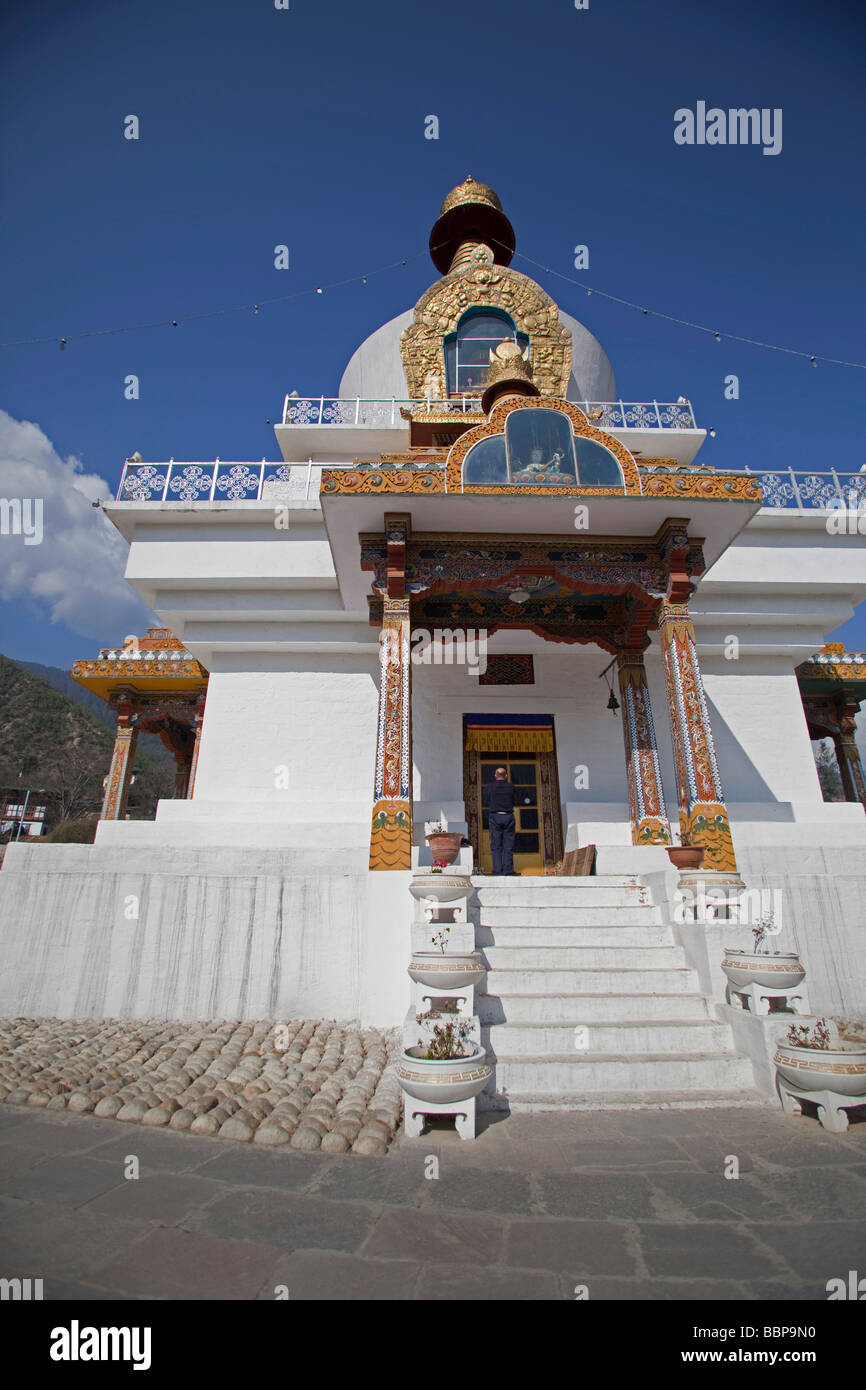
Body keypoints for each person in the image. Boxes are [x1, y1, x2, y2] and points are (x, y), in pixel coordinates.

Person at [486, 766, 522, 875]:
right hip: (508, 816)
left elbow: (486, 799)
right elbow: (516, 800)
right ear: (505, 776)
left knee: (496, 845)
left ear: (495, 775)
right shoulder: (510, 787)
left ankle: (497, 870)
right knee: (508, 844)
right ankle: (508, 870)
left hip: (495, 816)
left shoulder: (490, 786)